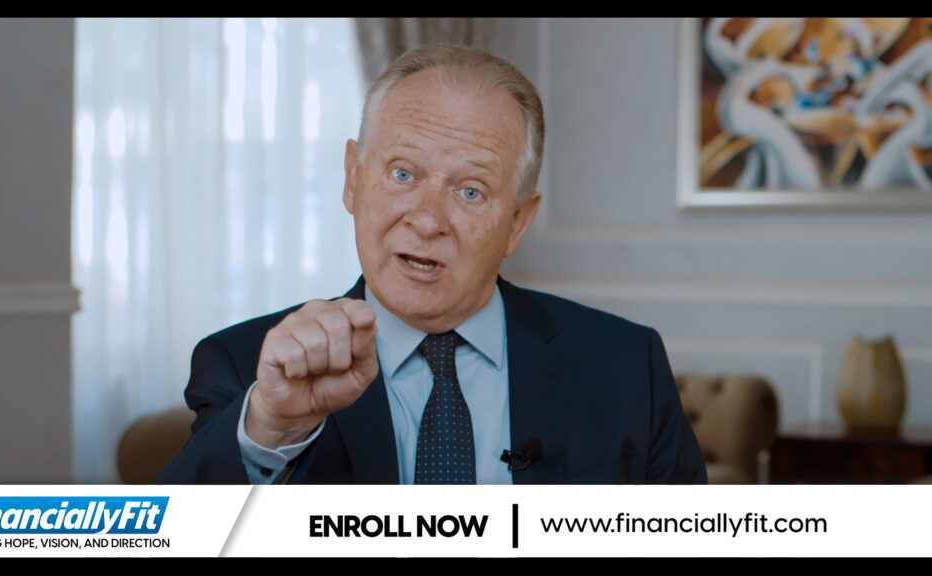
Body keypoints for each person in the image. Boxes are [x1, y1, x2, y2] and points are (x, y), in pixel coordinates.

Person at [158, 44, 706, 485]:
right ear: (352, 178)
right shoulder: (245, 367)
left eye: (470, 191)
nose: (426, 220)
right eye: (402, 174)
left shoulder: (626, 367)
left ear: (517, 222)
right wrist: (272, 428)